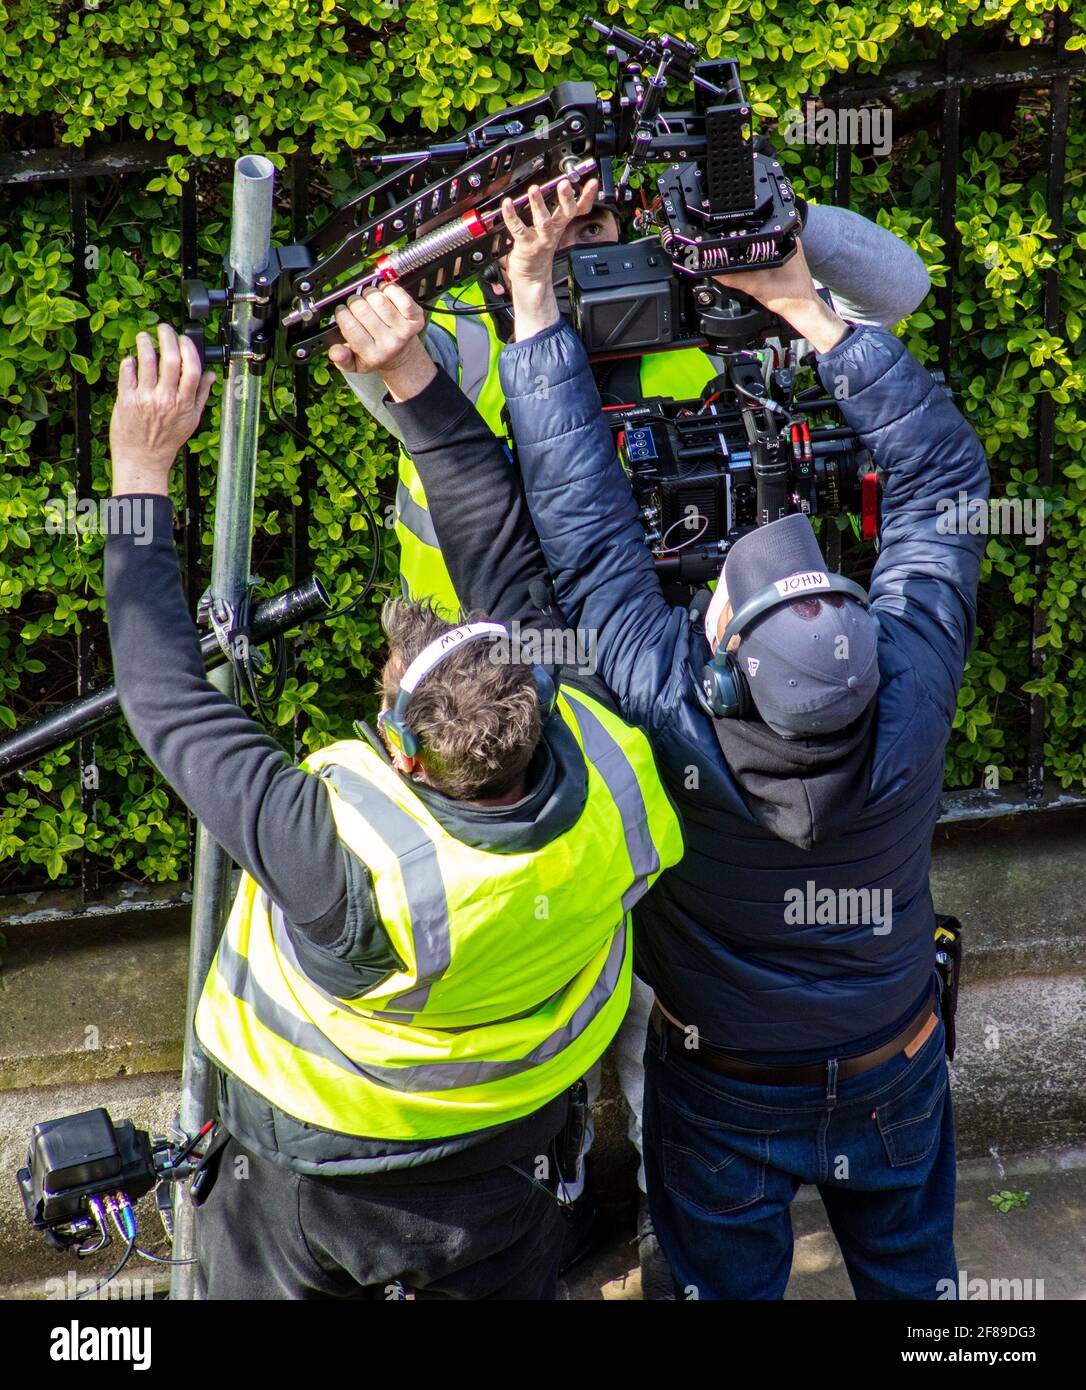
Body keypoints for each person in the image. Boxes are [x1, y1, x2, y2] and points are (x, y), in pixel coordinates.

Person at [328, 177, 937, 1295]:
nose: (585, 245)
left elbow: (902, 286)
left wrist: (764, 227)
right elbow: (938, 475)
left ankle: (670, 1210)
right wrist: (517, 282)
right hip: (543, 723)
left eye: (600, 222)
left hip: (656, 705)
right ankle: (593, 1201)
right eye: (551, 220)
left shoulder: (697, 305)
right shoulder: (460, 339)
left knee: (678, 1039)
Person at [103, 324, 683, 1300]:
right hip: (513, 1155)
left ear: (404, 750)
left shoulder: (346, 855)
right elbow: (499, 541)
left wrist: (138, 470)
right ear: (532, 694)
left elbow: (162, 695)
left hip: (316, 1168)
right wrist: (412, 377)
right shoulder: (605, 753)